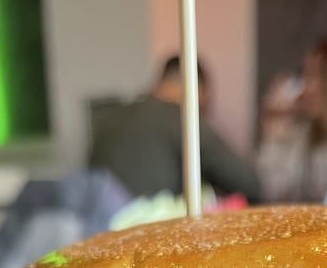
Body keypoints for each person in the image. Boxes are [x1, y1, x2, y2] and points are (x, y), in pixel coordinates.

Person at [89, 56, 261, 204]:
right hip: (151, 233)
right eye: (205, 103)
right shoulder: (179, 117)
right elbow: (247, 182)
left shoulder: (110, 119)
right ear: (197, 87)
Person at [256, 39, 327, 203]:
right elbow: (273, 191)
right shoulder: (306, 129)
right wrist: (277, 136)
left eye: (314, 76)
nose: (305, 86)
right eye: (305, 75)